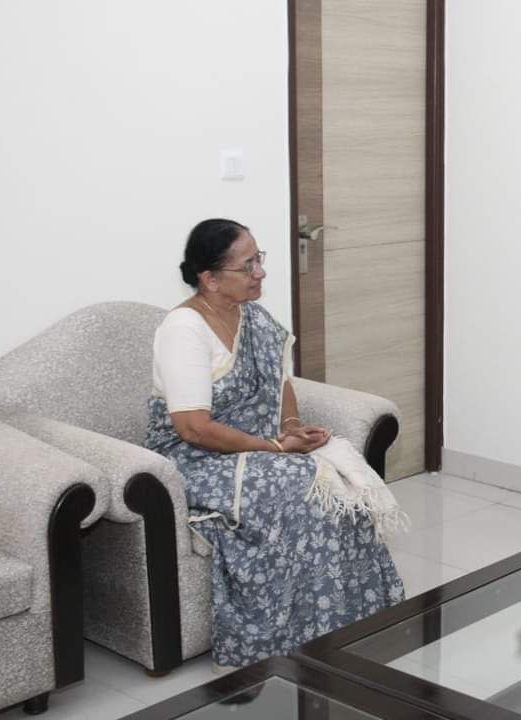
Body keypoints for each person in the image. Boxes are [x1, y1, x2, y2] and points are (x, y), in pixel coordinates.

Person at [144, 218, 405, 668]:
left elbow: (279, 379)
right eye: (247, 266)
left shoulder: (253, 315)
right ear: (209, 278)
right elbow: (192, 428)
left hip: (256, 445)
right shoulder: (183, 328)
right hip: (197, 457)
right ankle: (280, 636)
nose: (260, 273)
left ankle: (353, 617)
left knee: (339, 476)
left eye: (258, 259)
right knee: (298, 483)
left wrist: (290, 425)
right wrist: (278, 448)